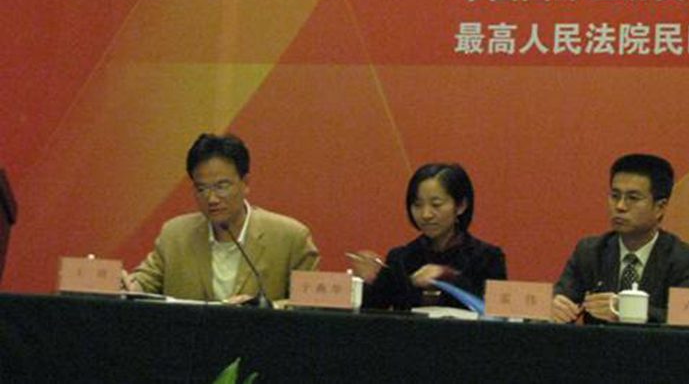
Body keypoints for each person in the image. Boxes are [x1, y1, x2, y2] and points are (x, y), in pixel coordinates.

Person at [125, 133, 319, 303]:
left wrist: (267, 307)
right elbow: (144, 283)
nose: (212, 199)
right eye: (202, 188)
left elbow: (311, 304)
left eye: (221, 186)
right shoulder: (175, 235)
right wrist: (128, 285)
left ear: (245, 183)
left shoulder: (290, 238)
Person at [552, 153, 689, 324]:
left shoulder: (684, 259)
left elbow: (687, 318)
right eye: (615, 196)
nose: (620, 206)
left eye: (633, 198)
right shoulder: (590, 251)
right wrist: (555, 308)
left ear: (660, 207)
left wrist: (627, 309)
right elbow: (562, 297)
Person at [349, 163, 506, 310]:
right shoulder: (400, 259)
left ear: (461, 206)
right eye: (417, 205)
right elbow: (371, 316)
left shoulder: (487, 258)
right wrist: (368, 282)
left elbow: (496, 313)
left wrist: (448, 277)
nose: (426, 214)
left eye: (436, 204)